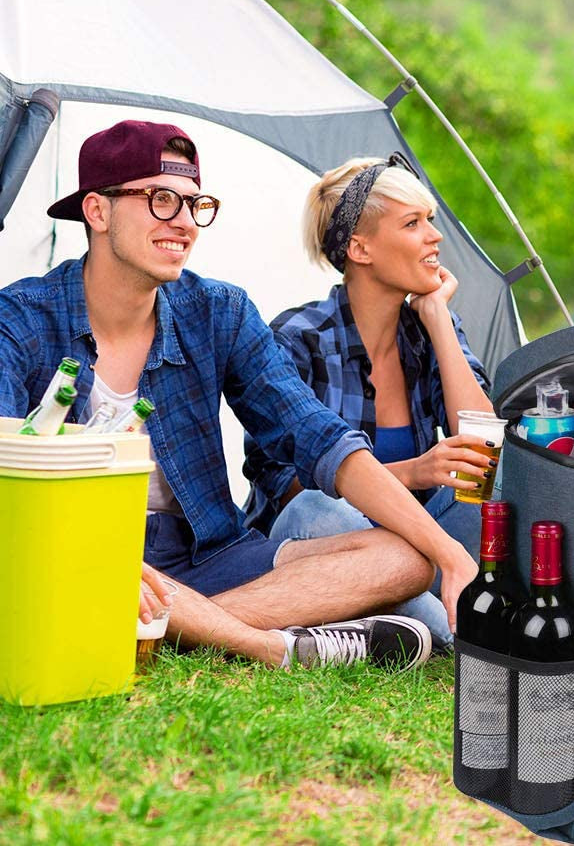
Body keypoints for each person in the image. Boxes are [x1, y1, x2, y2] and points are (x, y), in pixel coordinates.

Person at [0, 120, 479, 671]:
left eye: (193, 204)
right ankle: (268, 646)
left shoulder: (219, 312)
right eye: (161, 201)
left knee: (405, 560)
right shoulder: (20, 320)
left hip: (206, 554)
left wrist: (449, 555)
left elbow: (318, 437)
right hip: (76, 550)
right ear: (98, 211)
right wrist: (99, 557)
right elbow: (14, 484)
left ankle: (160, 629)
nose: (184, 223)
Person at [243, 155, 497, 651]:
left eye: (430, 221)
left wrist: (437, 317)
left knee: (495, 478)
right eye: (412, 223)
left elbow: (484, 446)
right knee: (320, 507)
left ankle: (396, 610)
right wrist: (415, 472)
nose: (434, 237)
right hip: (329, 533)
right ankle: (445, 619)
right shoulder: (297, 338)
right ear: (360, 248)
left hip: (420, 537)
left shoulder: (429, 330)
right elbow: (286, 487)